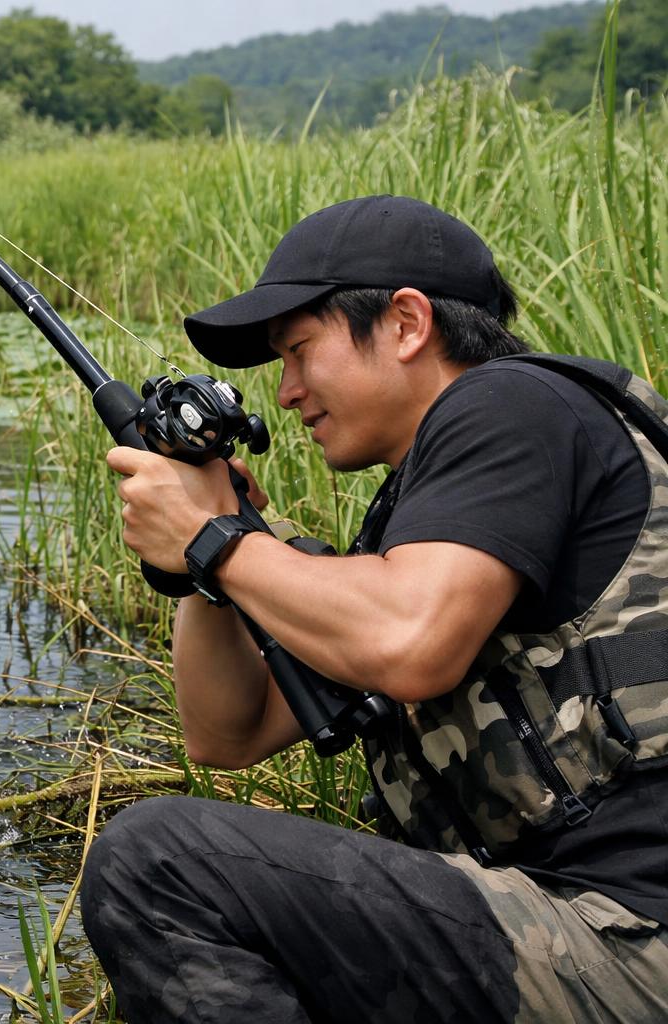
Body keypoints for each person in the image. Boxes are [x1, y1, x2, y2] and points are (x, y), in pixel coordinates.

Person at [80, 195, 668, 1023]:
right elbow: (228, 734)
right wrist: (198, 568)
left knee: (157, 863)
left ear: (406, 323)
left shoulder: (516, 403)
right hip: (558, 919)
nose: (286, 392)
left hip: (632, 931)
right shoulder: (417, 529)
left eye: (298, 351)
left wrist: (216, 541)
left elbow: (409, 642)